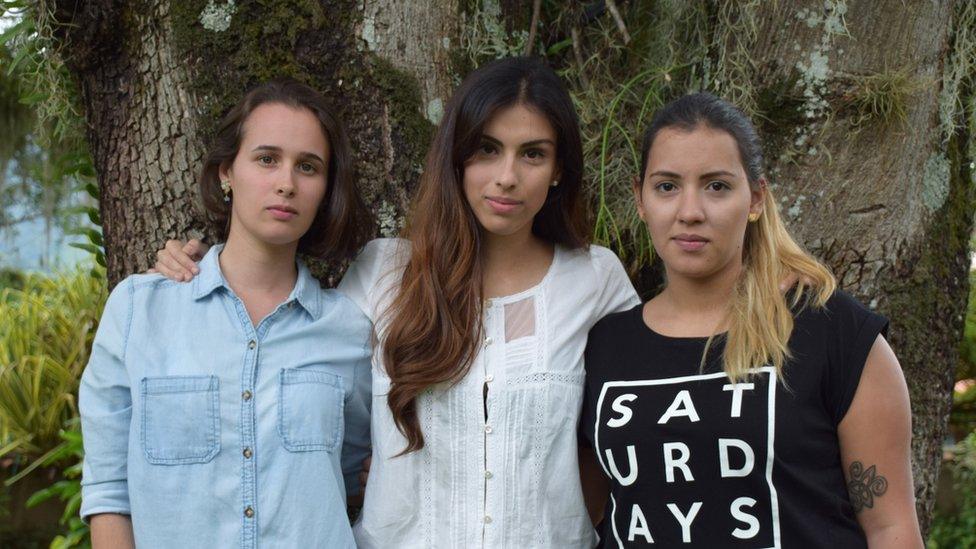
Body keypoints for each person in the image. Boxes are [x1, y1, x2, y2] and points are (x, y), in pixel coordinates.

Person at [153, 57, 640, 547]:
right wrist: (207, 271)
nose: (507, 177)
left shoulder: (594, 280)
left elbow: (633, 426)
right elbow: (281, 365)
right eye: (487, 150)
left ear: (559, 169)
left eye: (533, 154)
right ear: (457, 158)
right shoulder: (385, 273)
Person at [578, 92, 923, 548]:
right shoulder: (605, 345)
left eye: (717, 186)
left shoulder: (833, 333)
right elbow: (592, 509)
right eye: (666, 186)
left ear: (756, 198)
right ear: (641, 200)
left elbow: (891, 529)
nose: (690, 212)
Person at [80, 79, 374, 548]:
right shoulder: (140, 310)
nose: (286, 183)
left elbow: (356, 474)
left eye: (308, 167)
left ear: (325, 189)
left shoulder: (350, 332)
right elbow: (109, 492)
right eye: (266, 158)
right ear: (225, 173)